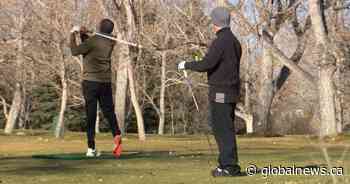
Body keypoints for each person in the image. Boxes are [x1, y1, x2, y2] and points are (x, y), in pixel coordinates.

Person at [178, 7, 244, 177]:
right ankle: (226, 165)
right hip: (231, 91)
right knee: (224, 128)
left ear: (216, 23)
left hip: (221, 91)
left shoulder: (221, 41)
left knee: (223, 129)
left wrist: (187, 64)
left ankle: (229, 167)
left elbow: (207, 64)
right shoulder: (234, 41)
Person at [70, 19, 122, 158]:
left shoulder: (93, 41)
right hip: (105, 82)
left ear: (100, 27)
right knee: (109, 112)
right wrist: (83, 33)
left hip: (90, 83)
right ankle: (116, 134)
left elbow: (75, 51)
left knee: (91, 115)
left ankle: (91, 148)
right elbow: (90, 47)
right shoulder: (111, 41)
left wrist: (72, 34)